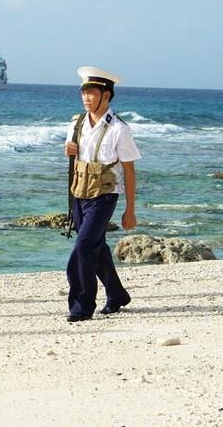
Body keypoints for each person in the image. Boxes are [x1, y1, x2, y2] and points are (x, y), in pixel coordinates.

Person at [64, 67, 141, 322]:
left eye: (91, 93)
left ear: (106, 95)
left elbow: (129, 170)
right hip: (79, 193)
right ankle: (117, 294)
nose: (86, 98)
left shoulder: (119, 129)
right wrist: (69, 150)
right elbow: (75, 157)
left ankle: (81, 306)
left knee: (83, 246)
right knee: (96, 247)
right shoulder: (76, 123)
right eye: (83, 93)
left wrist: (130, 210)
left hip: (105, 195)